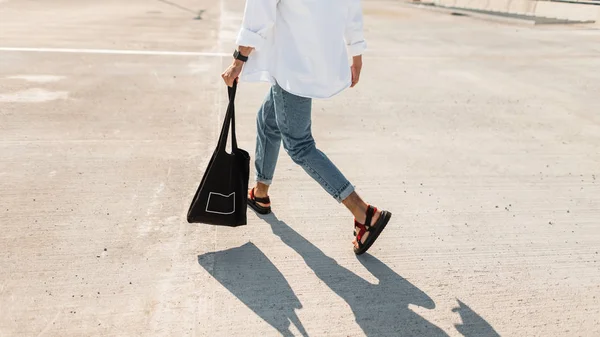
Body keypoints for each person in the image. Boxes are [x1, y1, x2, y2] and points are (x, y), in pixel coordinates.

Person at [221, 0, 391, 255]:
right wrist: (356, 52)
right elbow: (351, 6)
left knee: (299, 145)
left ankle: (364, 213)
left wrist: (239, 59)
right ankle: (260, 192)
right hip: (312, 60)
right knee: (268, 121)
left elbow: (260, 10)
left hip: (293, 63)